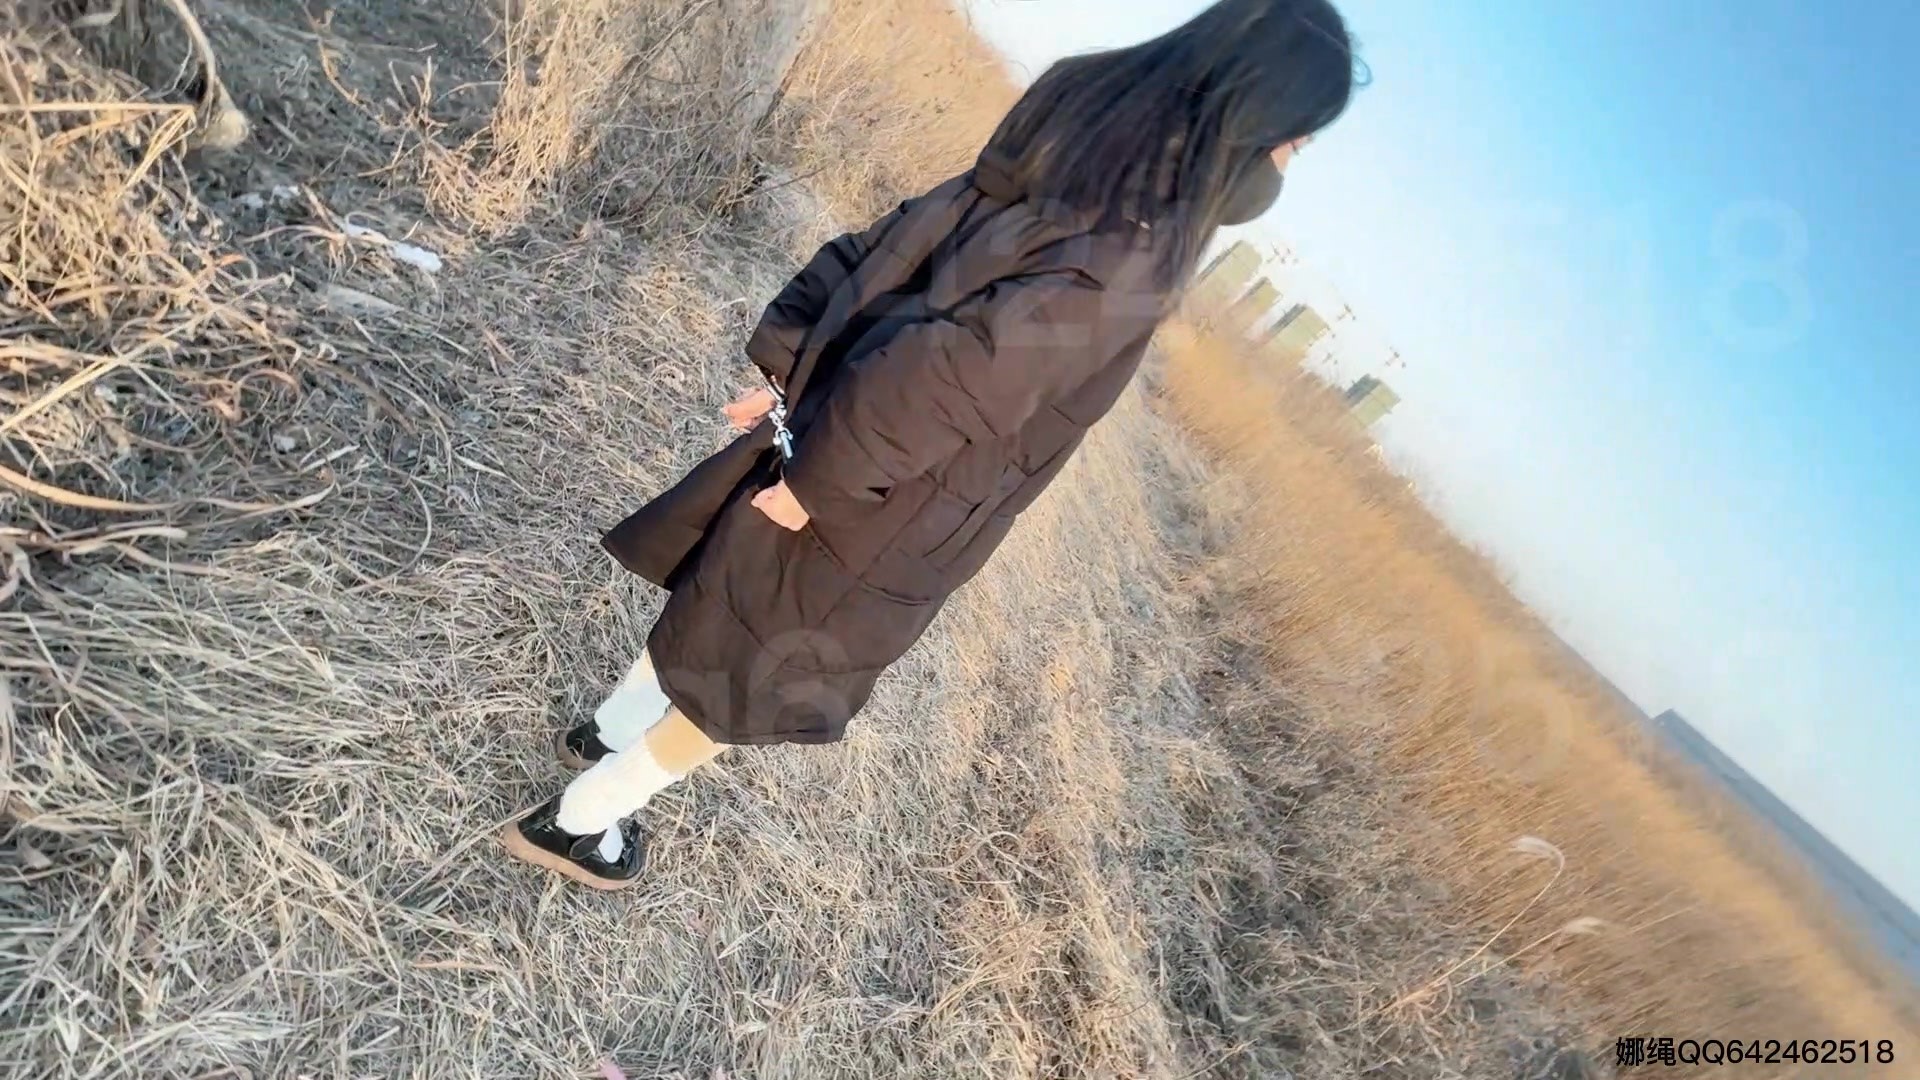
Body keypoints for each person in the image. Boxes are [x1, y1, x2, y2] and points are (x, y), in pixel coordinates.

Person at [501, 0, 1360, 889]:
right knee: (751, 672)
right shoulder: (1136, 248)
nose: (1288, 162)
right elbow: (960, 375)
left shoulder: (1070, 146)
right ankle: (579, 821)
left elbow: (889, 248)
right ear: (1253, 123)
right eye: (1296, 142)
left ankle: (605, 730)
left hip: (841, 424)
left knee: (726, 588)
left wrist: (795, 365)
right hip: (886, 492)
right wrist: (822, 479)